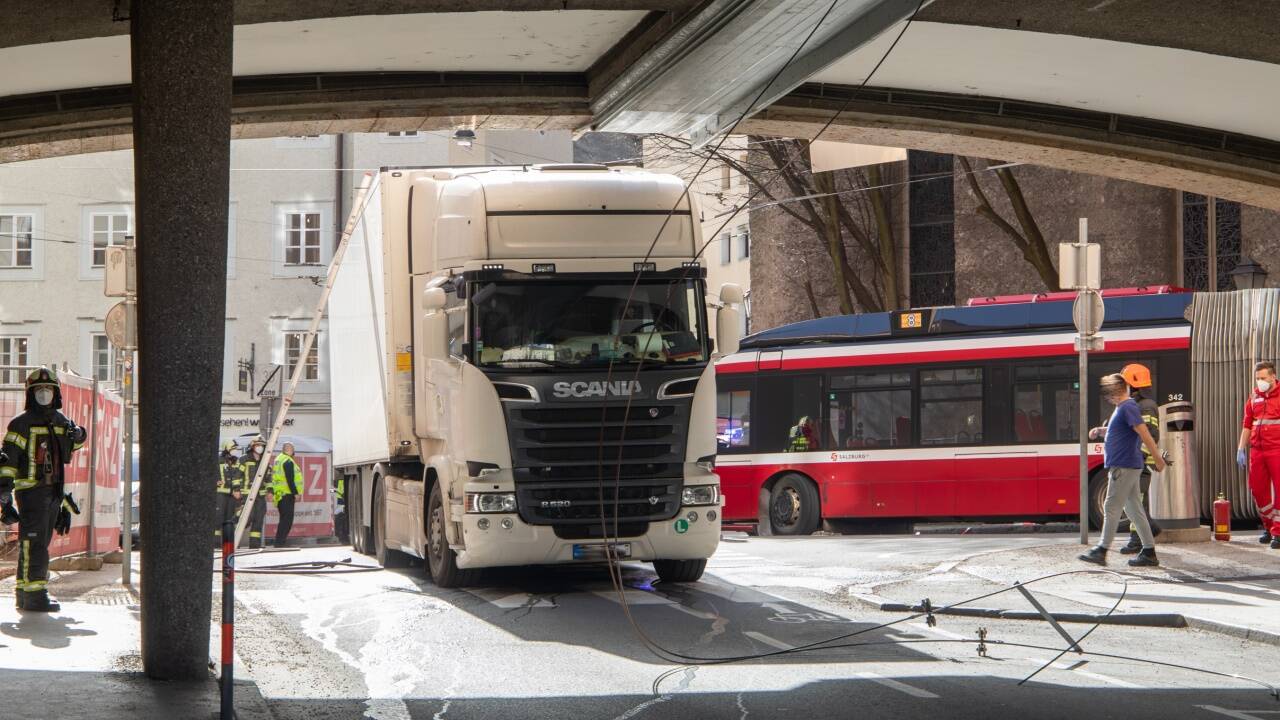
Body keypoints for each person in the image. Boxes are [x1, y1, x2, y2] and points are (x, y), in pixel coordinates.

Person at [0, 369, 87, 612]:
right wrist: (5, 496)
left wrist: (80, 433)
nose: (44, 394)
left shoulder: (60, 421)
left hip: (53, 492)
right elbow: (8, 461)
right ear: (31, 394)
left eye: (48, 390)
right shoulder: (20, 424)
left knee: (37, 542)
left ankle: (23, 590)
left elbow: (75, 442)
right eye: (39, 390)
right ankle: (35, 593)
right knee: (34, 543)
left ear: (56, 393)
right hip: (31, 492)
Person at [1080, 373, 1166, 567]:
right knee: (1134, 509)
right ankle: (1149, 552)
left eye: (1109, 392)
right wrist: (1101, 431)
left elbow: (1144, 433)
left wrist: (1158, 460)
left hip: (1124, 466)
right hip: (1127, 465)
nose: (1107, 396)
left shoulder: (1127, 406)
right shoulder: (1123, 408)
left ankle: (1101, 550)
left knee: (1111, 507)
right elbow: (1122, 431)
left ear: (1118, 389)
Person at [1117, 363, 1164, 554]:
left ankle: (1140, 539)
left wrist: (1138, 458)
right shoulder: (1135, 405)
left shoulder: (1145, 406)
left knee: (1136, 501)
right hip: (1135, 461)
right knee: (1135, 500)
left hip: (1140, 463)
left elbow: (1150, 435)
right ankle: (1147, 532)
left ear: (1133, 384)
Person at [1239, 360, 1280, 548]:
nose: (1259, 382)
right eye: (1257, 378)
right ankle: (1269, 525)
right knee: (1257, 489)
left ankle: (1278, 532)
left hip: (1277, 449)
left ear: (1273, 376)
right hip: (1257, 450)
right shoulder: (1254, 396)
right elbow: (1247, 424)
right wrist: (1241, 448)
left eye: (1263, 378)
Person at [240, 435, 271, 549]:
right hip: (246, 495)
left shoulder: (265, 461)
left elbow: (268, 478)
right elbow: (237, 476)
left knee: (258, 520)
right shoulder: (244, 459)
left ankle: (254, 546)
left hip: (260, 496)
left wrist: (270, 491)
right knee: (246, 519)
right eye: (258, 445)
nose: (260, 448)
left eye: (262, 446)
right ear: (252, 446)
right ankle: (232, 540)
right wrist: (237, 490)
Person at [271, 442, 301, 547]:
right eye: (292, 449)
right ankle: (279, 543)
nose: (293, 451)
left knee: (283, 520)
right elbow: (290, 479)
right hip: (287, 494)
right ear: (288, 450)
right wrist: (296, 493)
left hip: (280, 494)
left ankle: (279, 542)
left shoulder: (278, 459)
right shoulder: (287, 461)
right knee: (287, 521)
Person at [214, 440, 243, 546]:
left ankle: (228, 545)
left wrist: (236, 490)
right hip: (220, 494)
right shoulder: (218, 460)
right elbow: (212, 473)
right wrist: (215, 481)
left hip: (231, 495)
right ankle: (215, 544)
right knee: (218, 518)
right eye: (233, 448)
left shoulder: (236, 461)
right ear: (227, 448)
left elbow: (237, 477)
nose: (235, 450)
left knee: (229, 520)